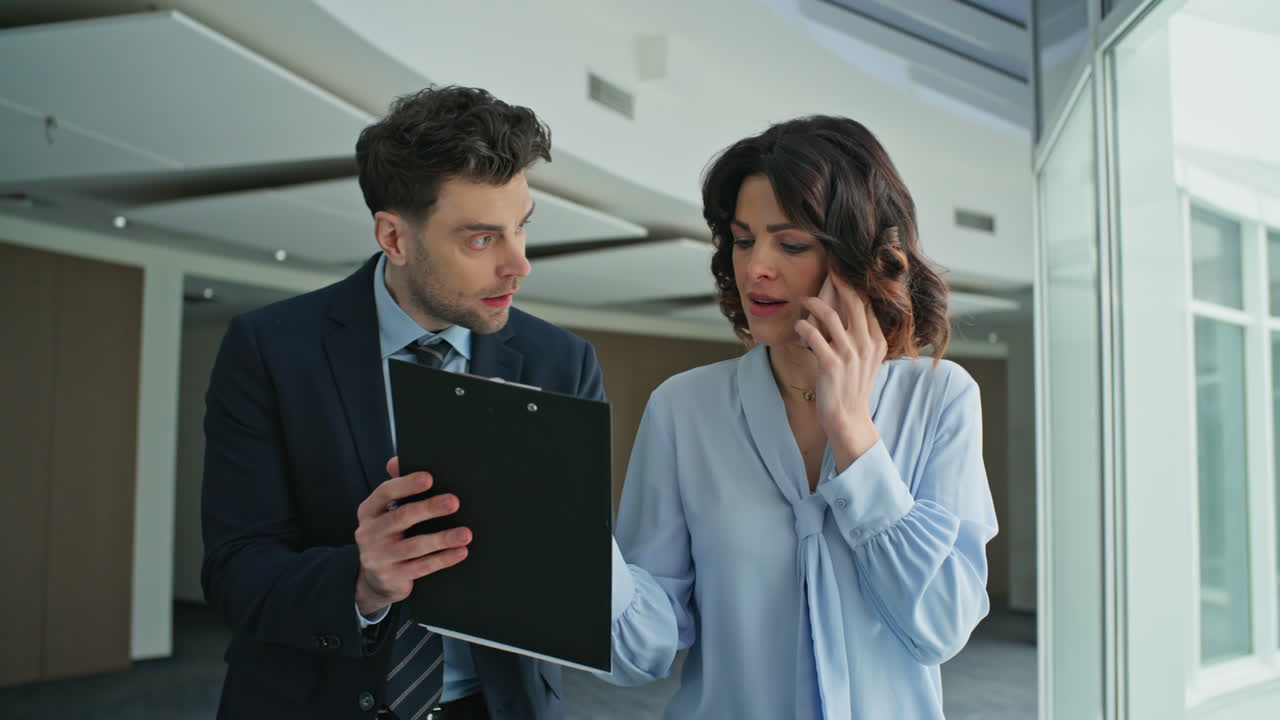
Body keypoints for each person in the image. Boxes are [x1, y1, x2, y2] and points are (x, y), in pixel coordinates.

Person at [201, 86, 607, 720]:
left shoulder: (562, 363)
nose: (518, 264)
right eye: (481, 240)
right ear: (394, 236)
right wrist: (361, 581)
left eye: (521, 227)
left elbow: (577, 563)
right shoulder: (270, 350)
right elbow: (234, 571)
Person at [600, 115, 999, 719]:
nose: (757, 266)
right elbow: (641, 652)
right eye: (742, 239)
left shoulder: (940, 400)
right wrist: (577, 538)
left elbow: (939, 627)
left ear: (860, 258)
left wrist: (856, 436)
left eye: (790, 244)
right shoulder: (683, 409)